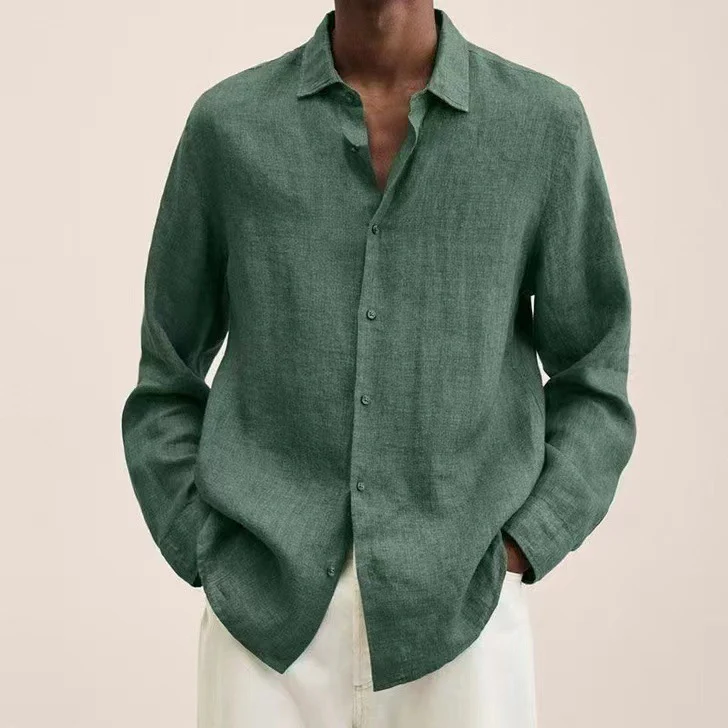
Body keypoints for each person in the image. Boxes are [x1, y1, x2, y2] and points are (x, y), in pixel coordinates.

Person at [121, 2, 637, 726]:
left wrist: (523, 544)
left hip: (462, 618)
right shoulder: (227, 127)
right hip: (263, 623)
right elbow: (166, 374)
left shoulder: (543, 126)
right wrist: (205, 548)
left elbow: (594, 376)